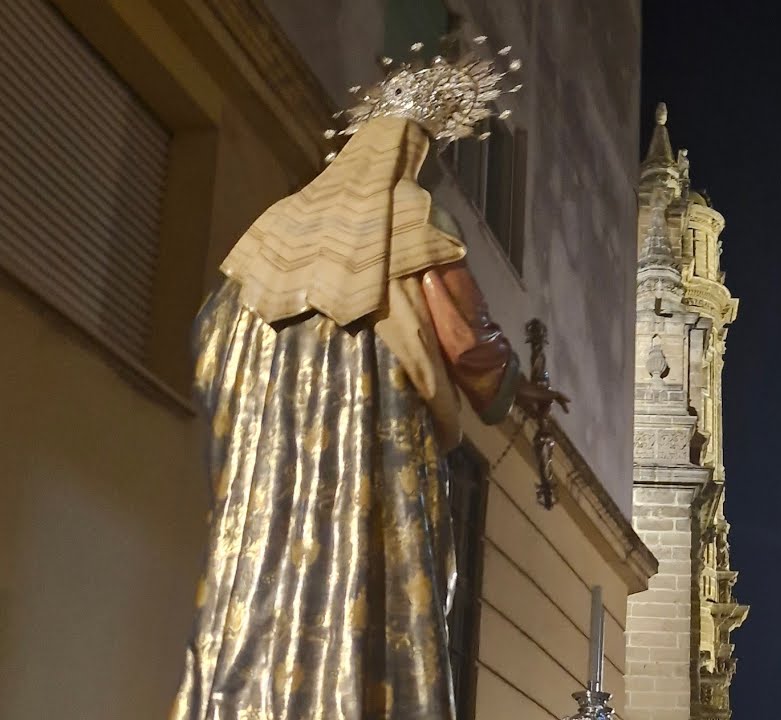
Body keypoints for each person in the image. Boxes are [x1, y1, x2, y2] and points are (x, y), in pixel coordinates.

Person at [170, 87, 565, 717]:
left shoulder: (274, 227)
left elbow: (211, 341)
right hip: (374, 438)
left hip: (275, 463)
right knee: (372, 569)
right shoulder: (412, 217)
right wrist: (516, 389)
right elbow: (466, 342)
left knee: (266, 577)